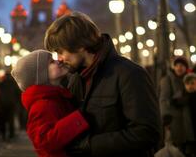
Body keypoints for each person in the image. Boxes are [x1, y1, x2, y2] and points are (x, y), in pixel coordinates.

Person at [44, 11, 161, 157]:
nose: (59, 58)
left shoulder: (129, 74)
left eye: (60, 51)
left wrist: (89, 145)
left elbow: (147, 133)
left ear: (80, 46)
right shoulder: (75, 79)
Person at [11, 49, 89, 157]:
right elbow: (44, 141)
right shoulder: (42, 105)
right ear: (41, 75)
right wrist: (78, 119)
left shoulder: (55, 97)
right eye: (52, 62)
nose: (59, 61)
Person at [159, 57, 194, 155]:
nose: (179, 68)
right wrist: (166, 116)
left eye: (182, 66)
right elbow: (163, 99)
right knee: (176, 146)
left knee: (188, 146)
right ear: (173, 67)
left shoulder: (189, 78)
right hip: (174, 119)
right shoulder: (167, 79)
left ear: (186, 67)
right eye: (177, 65)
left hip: (189, 118)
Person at [183, 73, 196, 156]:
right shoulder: (183, 98)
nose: (190, 86)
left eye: (192, 83)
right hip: (188, 131)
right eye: (187, 84)